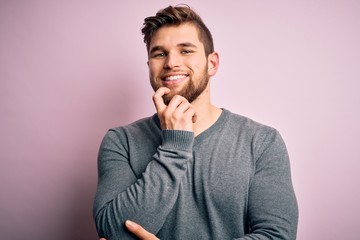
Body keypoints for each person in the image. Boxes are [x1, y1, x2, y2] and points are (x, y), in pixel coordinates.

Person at [93, 4, 298, 240]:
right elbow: (112, 232)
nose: (171, 63)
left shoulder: (262, 142)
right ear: (150, 66)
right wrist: (174, 146)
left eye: (186, 51)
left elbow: (277, 236)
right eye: (159, 54)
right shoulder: (120, 142)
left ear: (212, 64)